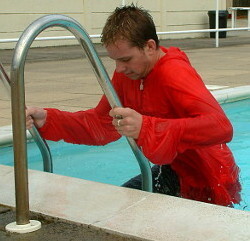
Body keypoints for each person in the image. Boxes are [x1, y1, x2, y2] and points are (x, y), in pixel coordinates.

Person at [26, 4, 241, 207]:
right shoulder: (128, 75)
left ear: (149, 46)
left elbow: (221, 127)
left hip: (210, 176)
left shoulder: (174, 73)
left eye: (126, 59)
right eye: (115, 60)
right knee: (121, 212)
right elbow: (100, 125)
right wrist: (48, 119)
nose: (119, 69)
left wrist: (147, 127)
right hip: (172, 169)